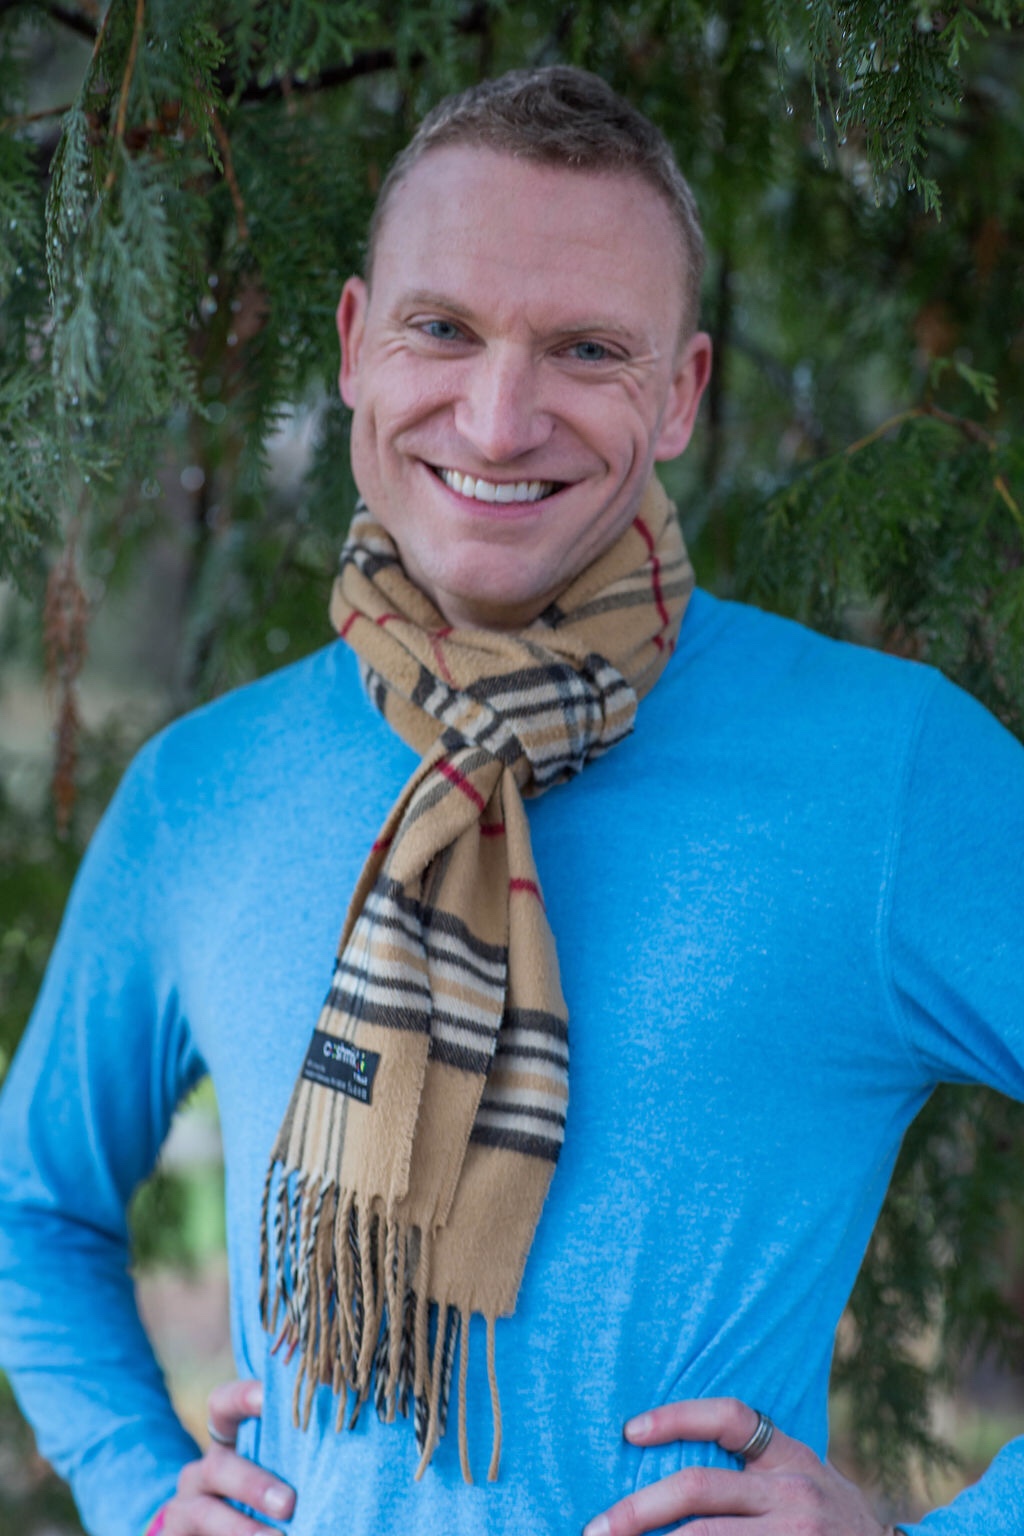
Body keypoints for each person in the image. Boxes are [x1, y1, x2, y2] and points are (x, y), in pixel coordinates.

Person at [1, 64, 1022, 1536]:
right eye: (442, 329)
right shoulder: (202, 793)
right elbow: (31, 1208)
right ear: (354, 345)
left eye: (587, 349)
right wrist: (140, 1490)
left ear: (680, 395)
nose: (495, 420)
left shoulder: (889, 773)